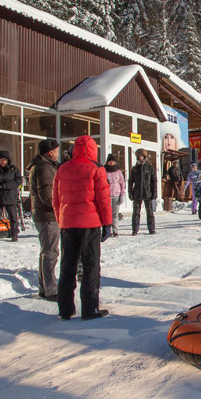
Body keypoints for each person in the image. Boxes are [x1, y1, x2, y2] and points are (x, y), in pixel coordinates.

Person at [52, 135, 112, 320]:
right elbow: (103, 199)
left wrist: (62, 220)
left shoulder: (62, 169)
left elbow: (55, 199)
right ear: (93, 150)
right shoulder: (96, 168)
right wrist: (107, 223)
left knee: (67, 266)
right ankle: (90, 309)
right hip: (90, 224)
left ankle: (65, 309)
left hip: (68, 225)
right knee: (90, 266)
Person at [27, 139, 60, 300]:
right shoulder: (44, 168)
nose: (58, 153)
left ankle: (44, 286)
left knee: (46, 252)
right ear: (50, 152)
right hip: (47, 215)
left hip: (44, 214)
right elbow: (47, 195)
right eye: (56, 150)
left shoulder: (43, 166)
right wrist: (60, 205)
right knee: (50, 252)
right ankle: (50, 289)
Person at [0, 150, 21, 242]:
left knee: (13, 217)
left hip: (10, 196)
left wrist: (5, 185)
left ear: (8, 160)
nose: (3, 161)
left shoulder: (13, 169)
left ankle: (14, 235)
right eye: (1, 159)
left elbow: (18, 181)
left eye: (5, 160)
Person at [128, 148, 157, 235]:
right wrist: (130, 192)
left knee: (150, 212)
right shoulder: (134, 169)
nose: (140, 157)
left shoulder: (150, 168)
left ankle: (151, 229)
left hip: (147, 192)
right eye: (139, 156)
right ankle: (135, 229)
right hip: (137, 193)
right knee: (136, 212)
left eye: (141, 156)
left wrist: (154, 192)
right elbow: (130, 181)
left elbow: (154, 181)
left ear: (144, 157)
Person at [105, 154, 125, 236]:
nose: (111, 163)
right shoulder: (104, 171)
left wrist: (122, 194)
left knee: (115, 214)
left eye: (112, 162)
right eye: (110, 162)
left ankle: (115, 230)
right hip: (107, 195)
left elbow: (122, 183)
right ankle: (108, 231)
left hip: (116, 195)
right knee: (107, 214)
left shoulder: (118, 172)